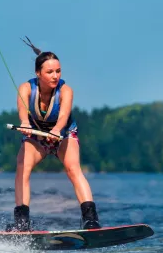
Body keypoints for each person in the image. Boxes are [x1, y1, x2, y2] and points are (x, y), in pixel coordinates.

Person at [6, 37, 101, 232]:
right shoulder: (26, 89)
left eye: (58, 71)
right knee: (22, 168)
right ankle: (22, 223)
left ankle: (90, 220)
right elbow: (23, 112)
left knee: (73, 169)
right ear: (38, 73)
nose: (55, 76)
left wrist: (57, 130)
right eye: (49, 72)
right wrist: (24, 123)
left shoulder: (66, 91)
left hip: (63, 135)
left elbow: (64, 115)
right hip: (36, 138)